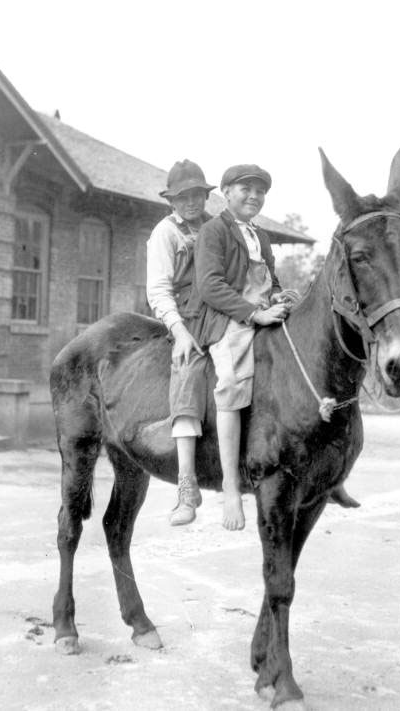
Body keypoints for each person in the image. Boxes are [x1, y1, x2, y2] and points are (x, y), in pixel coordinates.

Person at [185, 164, 296, 530]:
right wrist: (253, 314)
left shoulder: (260, 236)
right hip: (226, 318)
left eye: (260, 191)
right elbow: (210, 286)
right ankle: (230, 488)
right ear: (226, 192)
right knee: (232, 381)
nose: (253, 196)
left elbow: (269, 280)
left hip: (261, 312)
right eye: (245, 189)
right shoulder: (213, 231)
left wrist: (279, 295)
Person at [146, 159, 216, 526]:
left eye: (197, 194)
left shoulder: (217, 227)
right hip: (187, 319)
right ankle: (187, 490)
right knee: (187, 377)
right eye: (183, 196)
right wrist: (181, 332)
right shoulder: (165, 233)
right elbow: (158, 289)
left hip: (222, 311)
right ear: (172, 200)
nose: (191, 201)